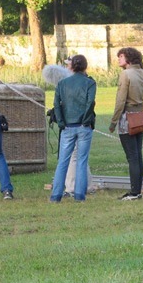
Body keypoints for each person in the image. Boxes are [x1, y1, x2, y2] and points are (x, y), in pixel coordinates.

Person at [50, 55, 97, 202]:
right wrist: (86, 120)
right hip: (83, 126)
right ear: (85, 66)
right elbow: (90, 103)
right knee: (82, 161)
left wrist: (61, 122)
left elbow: (57, 105)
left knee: (63, 161)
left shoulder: (62, 83)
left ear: (72, 66)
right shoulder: (90, 83)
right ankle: (79, 195)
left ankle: (56, 195)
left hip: (67, 126)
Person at [109, 47, 143, 201]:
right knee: (138, 156)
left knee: (132, 157)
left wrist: (113, 122)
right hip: (139, 116)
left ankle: (134, 193)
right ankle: (137, 190)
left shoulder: (126, 74)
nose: (118, 59)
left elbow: (120, 101)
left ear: (129, 58)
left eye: (121, 56)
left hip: (127, 118)